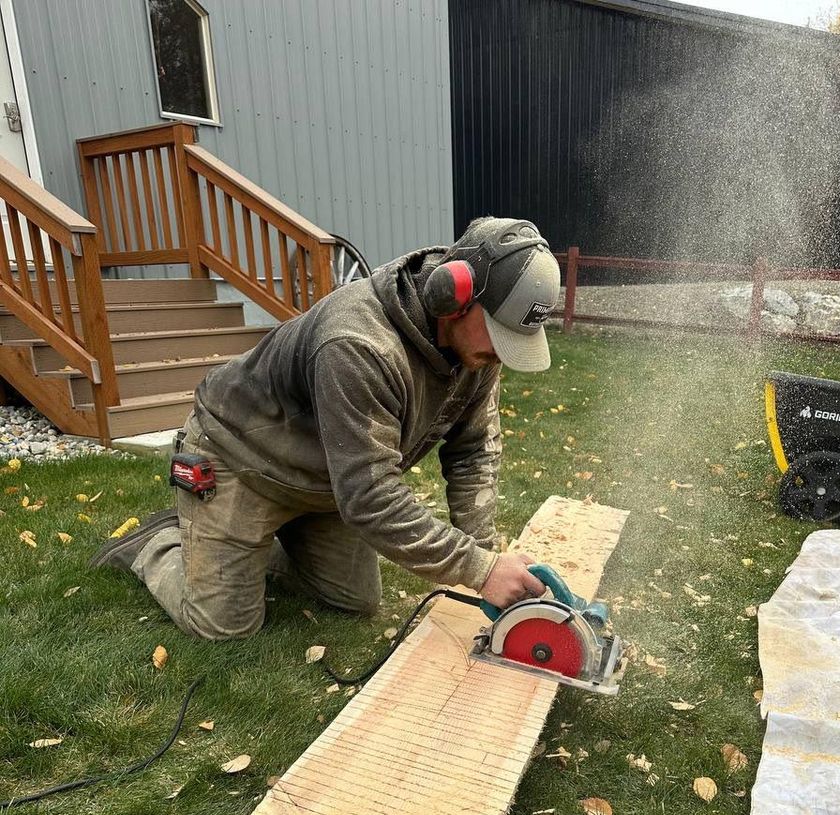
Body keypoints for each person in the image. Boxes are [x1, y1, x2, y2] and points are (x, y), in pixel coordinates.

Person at [90, 216, 561, 640]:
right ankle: (160, 543)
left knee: (354, 602)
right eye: (498, 334)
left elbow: (473, 451)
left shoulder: (476, 354)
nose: (500, 354)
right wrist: (480, 570)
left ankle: (246, 546)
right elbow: (370, 496)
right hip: (242, 459)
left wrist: (486, 554)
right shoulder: (358, 343)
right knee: (222, 625)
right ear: (451, 297)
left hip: (327, 477)